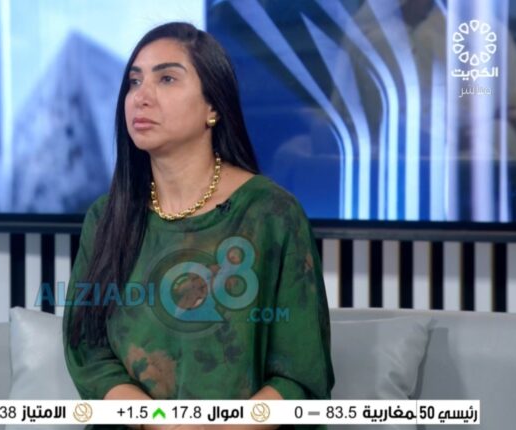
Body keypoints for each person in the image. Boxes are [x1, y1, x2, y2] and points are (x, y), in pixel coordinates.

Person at [62, 22, 334, 430]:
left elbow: (300, 375)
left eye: (167, 79)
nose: (141, 96)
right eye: (134, 82)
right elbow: (89, 352)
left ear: (213, 107)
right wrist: (158, 423)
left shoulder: (271, 213)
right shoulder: (106, 217)